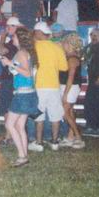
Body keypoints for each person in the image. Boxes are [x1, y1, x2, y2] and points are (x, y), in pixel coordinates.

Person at [0, 27, 37, 167]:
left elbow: (27, 73)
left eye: (14, 36)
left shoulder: (21, 53)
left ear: (20, 39)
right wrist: (10, 63)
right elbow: (22, 71)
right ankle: (24, 155)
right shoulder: (26, 52)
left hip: (22, 94)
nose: (12, 38)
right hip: (28, 93)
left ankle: (22, 156)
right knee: (20, 126)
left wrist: (10, 63)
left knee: (10, 124)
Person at [29, 21, 68, 152]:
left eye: (35, 32)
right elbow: (64, 67)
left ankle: (39, 142)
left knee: (39, 115)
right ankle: (55, 142)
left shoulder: (33, 47)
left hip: (39, 86)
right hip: (54, 86)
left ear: (39, 33)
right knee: (55, 114)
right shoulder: (57, 47)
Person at [0, 17, 21, 133]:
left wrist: (2, 37)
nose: (8, 28)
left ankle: (10, 135)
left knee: (9, 107)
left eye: (12, 26)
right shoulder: (14, 42)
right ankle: (9, 135)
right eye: (8, 26)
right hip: (10, 77)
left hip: (11, 79)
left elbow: (1, 51)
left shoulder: (16, 42)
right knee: (8, 108)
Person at [59, 33, 85, 149]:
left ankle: (78, 137)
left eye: (64, 43)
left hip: (70, 87)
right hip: (67, 86)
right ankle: (71, 137)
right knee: (69, 112)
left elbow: (71, 77)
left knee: (64, 112)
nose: (62, 44)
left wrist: (65, 94)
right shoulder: (69, 56)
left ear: (69, 44)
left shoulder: (72, 59)